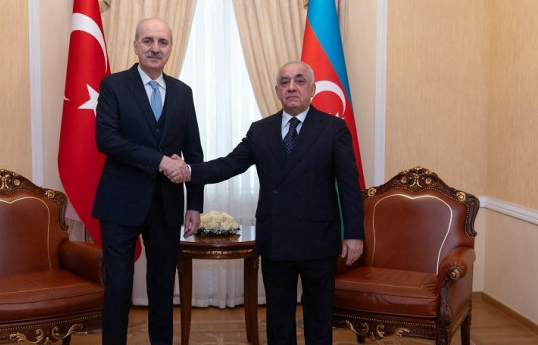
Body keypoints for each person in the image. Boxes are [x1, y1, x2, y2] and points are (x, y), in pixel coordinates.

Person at [165, 60, 364, 344]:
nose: (291, 87)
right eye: (285, 82)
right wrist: (189, 170)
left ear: (312, 89)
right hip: (276, 238)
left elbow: (348, 185)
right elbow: (229, 164)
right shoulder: (261, 130)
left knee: (319, 322)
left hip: (318, 239)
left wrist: (354, 234)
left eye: (299, 81)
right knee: (278, 321)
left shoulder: (333, 129)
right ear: (277, 91)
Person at [92, 17, 204, 345]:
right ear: (136, 45)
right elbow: (106, 139)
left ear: (170, 48)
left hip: (167, 206)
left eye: (163, 42)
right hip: (120, 203)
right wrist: (158, 161)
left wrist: (194, 203)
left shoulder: (183, 93)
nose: (155, 48)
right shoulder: (113, 86)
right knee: (118, 288)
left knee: (161, 289)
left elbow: (194, 153)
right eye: (149, 41)